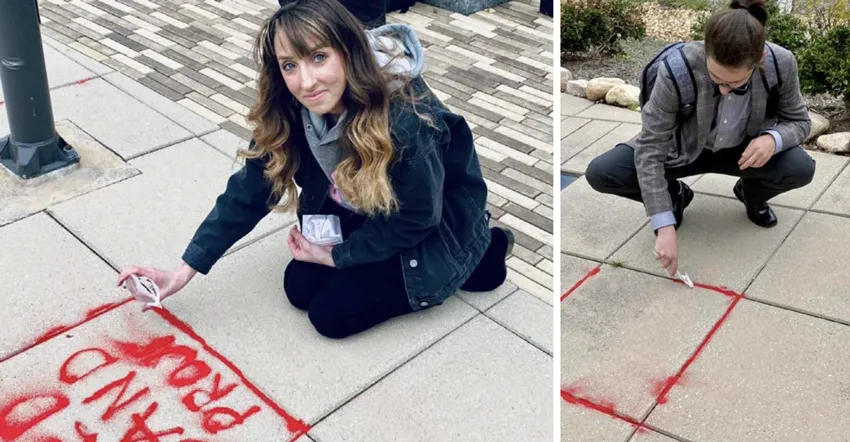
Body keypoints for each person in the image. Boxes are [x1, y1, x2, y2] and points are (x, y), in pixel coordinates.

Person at [116, 0, 514, 339]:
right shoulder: (291, 104)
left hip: (428, 226)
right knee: (299, 288)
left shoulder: (405, 119)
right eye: (289, 65)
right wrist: (182, 271)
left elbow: (419, 215)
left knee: (331, 317)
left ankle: (483, 250)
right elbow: (252, 187)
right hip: (363, 206)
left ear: (348, 52)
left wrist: (339, 256)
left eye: (319, 57)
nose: (305, 82)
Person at [585, 0, 815, 277]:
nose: (724, 90)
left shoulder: (782, 62)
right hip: (681, 149)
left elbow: (800, 122)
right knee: (602, 172)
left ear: (761, 59)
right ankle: (676, 196)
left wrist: (773, 139)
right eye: (716, 78)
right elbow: (651, 146)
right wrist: (663, 222)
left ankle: (751, 194)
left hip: (744, 151)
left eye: (735, 83)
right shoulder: (676, 69)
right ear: (705, 51)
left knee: (801, 168)